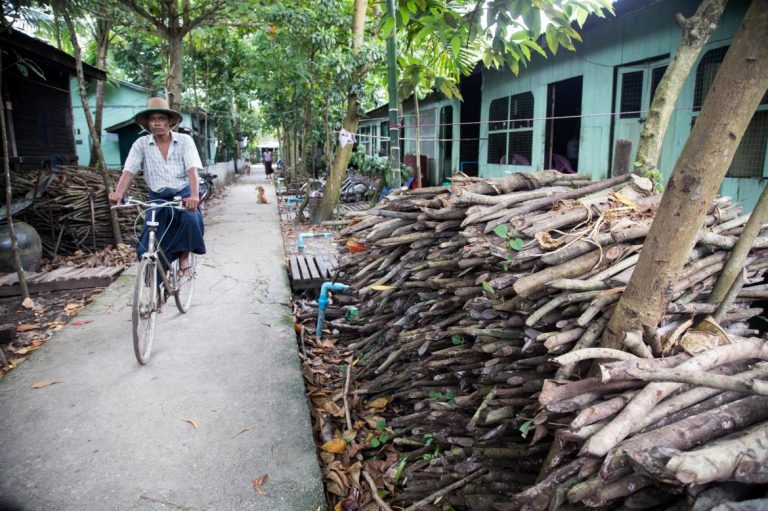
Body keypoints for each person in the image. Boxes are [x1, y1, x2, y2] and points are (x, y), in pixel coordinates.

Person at [108, 97, 206, 272]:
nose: (157, 123)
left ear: (169, 121)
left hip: (183, 193)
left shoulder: (184, 141)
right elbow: (129, 171)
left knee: (191, 220)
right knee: (148, 242)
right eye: (152, 119)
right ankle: (157, 291)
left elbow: (192, 169)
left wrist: (194, 196)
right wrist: (118, 193)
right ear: (148, 124)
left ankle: (184, 257)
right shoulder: (141, 144)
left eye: (161, 118)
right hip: (157, 196)